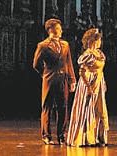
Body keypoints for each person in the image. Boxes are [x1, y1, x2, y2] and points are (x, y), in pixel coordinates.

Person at [33, 18, 75, 146]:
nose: (61, 31)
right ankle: (46, 135)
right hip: (50, 79)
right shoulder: (43, 46)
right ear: (50, 30)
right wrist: (45, 74)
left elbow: (69, 63)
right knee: (47, 107)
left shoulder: (65, 45)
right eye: (58, 28)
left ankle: (62, 135)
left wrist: (72, 80)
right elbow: (36, 64)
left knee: (63, 107)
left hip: (62, 79)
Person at [66, 28, 109, 147]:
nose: (100, 42)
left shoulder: (99, 53)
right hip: (89, 82)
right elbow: (82, 72)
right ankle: (84, 138)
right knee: (87, 108)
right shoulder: (87, 55)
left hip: (98, 81)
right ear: (92, 41)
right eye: (98, 40)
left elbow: (101, 70)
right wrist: (88, 86)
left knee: (98, 108)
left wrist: (103, 82)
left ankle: (97, 136)